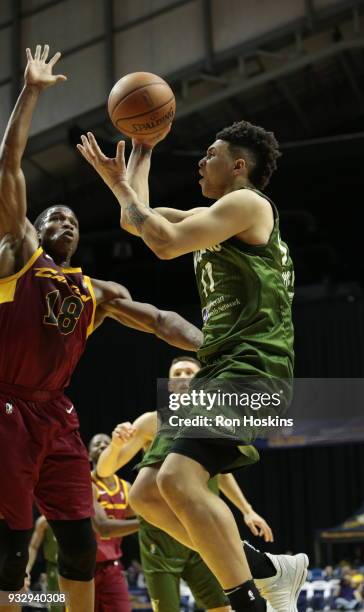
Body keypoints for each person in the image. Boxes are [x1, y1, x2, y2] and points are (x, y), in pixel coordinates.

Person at [0, 45, 202, 612]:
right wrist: (31, 91)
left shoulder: (98, 294)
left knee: (81, 541)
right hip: (8, 406)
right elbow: (8, 167)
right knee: (13, 550)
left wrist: (212, 345)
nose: (64, 220)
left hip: (57, 412)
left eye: (72, 219)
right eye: (52, 217)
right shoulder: (18, 257)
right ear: (33, 232)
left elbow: (161, 321)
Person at [78, 111, 307, 610]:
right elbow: (136, 220)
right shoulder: (216, 218)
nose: (201, 162)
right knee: (146, 495)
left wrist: (125, 190)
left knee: (179, 479)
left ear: (240, 166)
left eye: (212, 155)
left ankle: (252, 601)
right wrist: (140, 154)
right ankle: (268, 567)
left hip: (253, 366)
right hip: (220, 367)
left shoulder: (246, 204)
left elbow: (161, 242)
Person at [97, 355, 274, 612]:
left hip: (201, 529)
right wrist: (115, 446)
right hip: (162, 536)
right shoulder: (151, 421)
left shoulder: (212, 419)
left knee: (223, 608)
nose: (182, 377)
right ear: (169, 384)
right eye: (176, 374)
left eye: (189, 372)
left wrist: (247, 509)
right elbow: (104, 469)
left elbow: (222, 473)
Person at [89, 433, 141, 612]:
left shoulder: (126, 487)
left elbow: (148, 512)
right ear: (89, 455)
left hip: (111, 567)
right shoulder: (86, 484)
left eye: (106, 442)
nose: (102, 445)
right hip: (83, 566)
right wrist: (146, 523)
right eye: (97, 444)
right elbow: (103, 528)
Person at [26, 517, 62, 612]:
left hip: (76, 568)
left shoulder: (80, 515)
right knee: (55, 607)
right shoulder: (44, 521)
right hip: (53, 568)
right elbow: (33, 547)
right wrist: (26, 571)